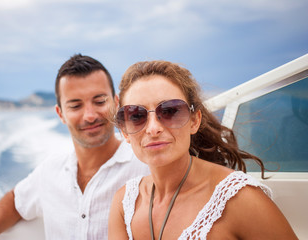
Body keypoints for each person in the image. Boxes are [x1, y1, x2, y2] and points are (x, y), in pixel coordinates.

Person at [108, 60, 298, 239]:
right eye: (136, 116)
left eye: (169, 111)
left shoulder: (238, 199)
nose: (153, 128)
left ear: (195, 120)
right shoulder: (125, 203)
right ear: (124, 131)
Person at [0, 54, 149, 239]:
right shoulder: (50, 171)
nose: (90, 115)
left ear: (116, 103)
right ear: (60, 114)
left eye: (99, 101)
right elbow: (15, 201)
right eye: (75, 106)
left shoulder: (145, 165)